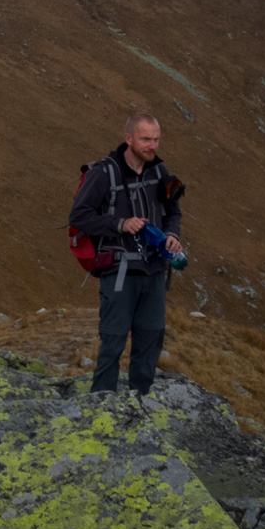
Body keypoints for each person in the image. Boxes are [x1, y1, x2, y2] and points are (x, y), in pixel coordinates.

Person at [68, 111, 184, 394]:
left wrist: (172, 235)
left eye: (156, 139)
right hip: (118, 272)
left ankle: (139, 402)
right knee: (113, 340)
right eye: (146, 139)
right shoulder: (104, 172)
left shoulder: (160, 172)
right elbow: (79, 216)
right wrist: (121, 224)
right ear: (128, 138)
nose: (153, 146)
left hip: (155, 271)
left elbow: (173, 212)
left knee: (150, 340)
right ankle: (102, 405)